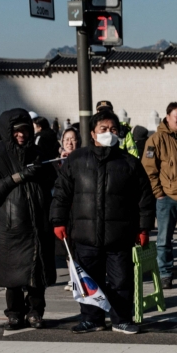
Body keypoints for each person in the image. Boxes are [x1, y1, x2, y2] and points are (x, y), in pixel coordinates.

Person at [51, 109, 155, 335]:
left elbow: (144, 198)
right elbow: (62, 193)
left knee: (121, 281)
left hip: (119, 235)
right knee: (88, 279)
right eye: (104, 129)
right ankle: (91, 318)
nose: (109, 133)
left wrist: (144, 227)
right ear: (93, 133)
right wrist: (58, 220)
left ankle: (121, 319)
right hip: (85, 234)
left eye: (113, 129)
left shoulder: (129, 163)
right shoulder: (77, 160)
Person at [0, 109, 56, 330]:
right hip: (9, 223)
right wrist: (17, 177)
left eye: (24, 130)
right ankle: (14, 313)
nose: (21, 135)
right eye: (16, 131)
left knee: (36, 271)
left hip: (38, 221)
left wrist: (44, 172)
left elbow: (52, 181)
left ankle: (35, 312)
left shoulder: (38, 151)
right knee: (12, 273)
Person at [142, 102, 177, 289]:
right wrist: (158, 192)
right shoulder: (156, 140)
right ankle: (165, 273)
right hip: (167, 198)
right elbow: (149, 169)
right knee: (164, 239)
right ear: (167, 117)